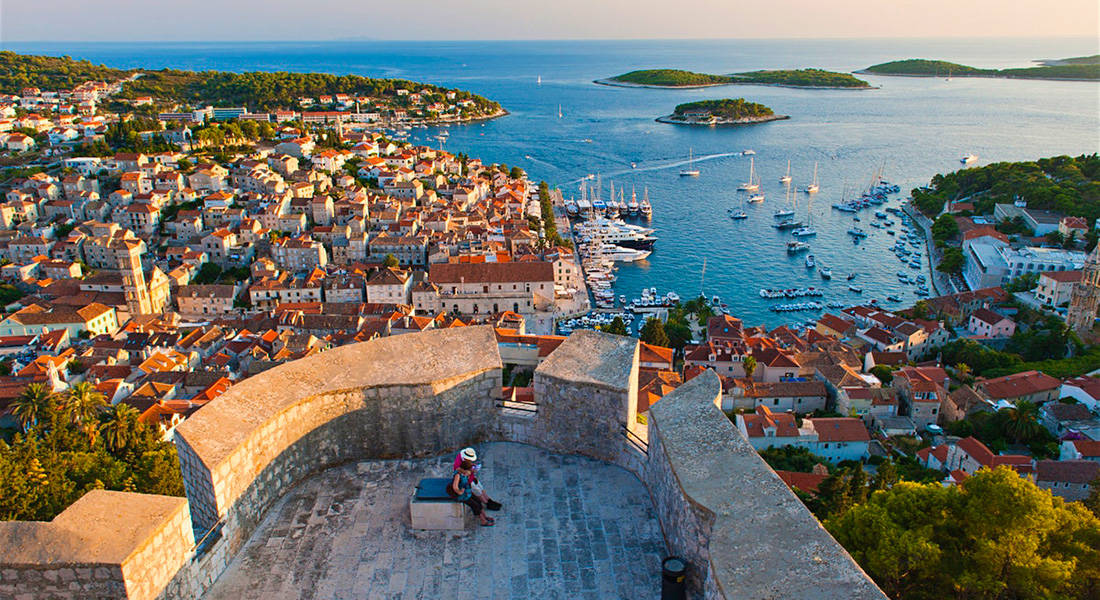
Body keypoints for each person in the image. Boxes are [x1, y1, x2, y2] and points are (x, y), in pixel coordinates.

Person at [449, 458, 494, 526]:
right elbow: (455, 487)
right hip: (462, 496)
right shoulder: (458, 475)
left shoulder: (465, 472)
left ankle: (485, 517)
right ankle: (483, 521)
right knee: (475, 505)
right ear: (465, 469)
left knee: (478, 501)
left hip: (468, 492)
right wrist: (460, 492)